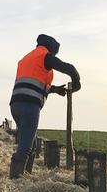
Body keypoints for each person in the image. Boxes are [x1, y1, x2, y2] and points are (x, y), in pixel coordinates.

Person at [9, 34, 81, 179]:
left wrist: (54, 89)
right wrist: (77, 83)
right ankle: (16, 181)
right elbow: (70, 68)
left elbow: (33, 83)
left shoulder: (27, 59)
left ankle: (25, 177)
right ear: (51, 49)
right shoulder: (44, 56)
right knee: (25, 148)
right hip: (29, 106)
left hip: (15, 105)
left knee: (32, 145)